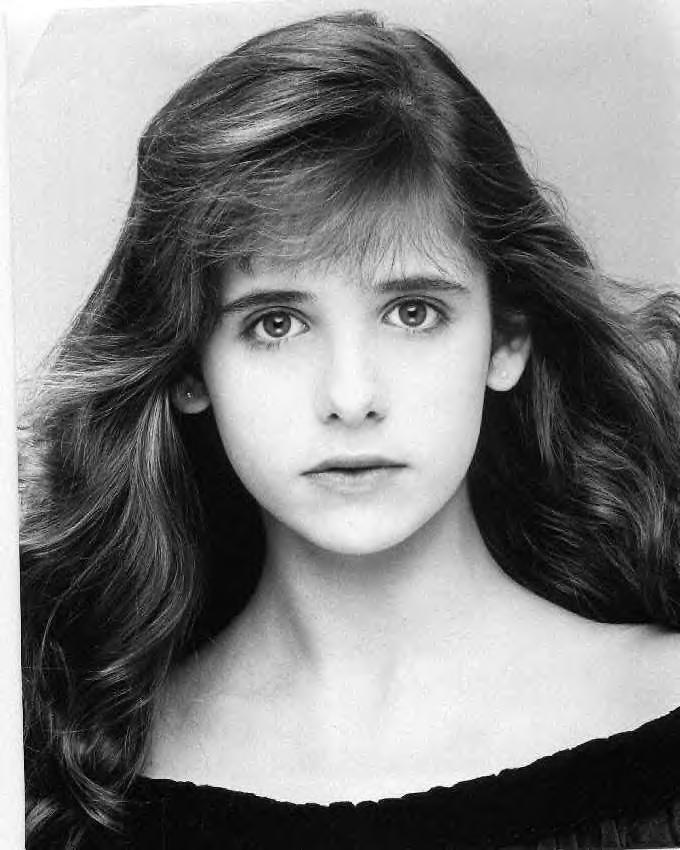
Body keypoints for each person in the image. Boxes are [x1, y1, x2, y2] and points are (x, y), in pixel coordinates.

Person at [20, 10, 680, 850]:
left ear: (506, 339)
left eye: (413, 312)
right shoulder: (83, 785)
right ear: (188, 366)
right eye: (276, 323)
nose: (351, 395)